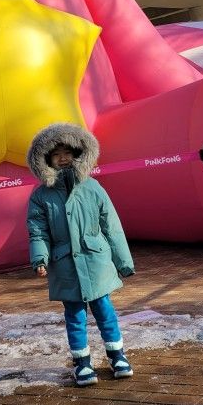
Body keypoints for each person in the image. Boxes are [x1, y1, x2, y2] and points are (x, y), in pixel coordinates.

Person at [26, 122, 135, 386]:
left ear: (78, 155)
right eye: (56, 154)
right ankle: (82, 363)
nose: (63, 158)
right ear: (46, 160)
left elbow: (111, 225)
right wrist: (40, 257)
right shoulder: (41, 196)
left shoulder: (93, 188)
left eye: (68, 152)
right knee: (74, 316)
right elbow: (37, 230)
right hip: (64, 264)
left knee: (104, 310)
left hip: (95, 260)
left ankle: (117, 355)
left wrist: (123, 262)